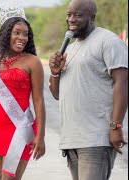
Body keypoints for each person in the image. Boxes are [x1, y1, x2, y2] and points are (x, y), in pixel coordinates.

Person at [48, 0, 128, 179]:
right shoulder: (70, 47)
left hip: (95, 139)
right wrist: (55, 73)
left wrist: (116, 126)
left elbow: (122, 82)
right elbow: (57, 94)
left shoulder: (108, 41)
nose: (71, 19)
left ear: (92, 18)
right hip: (72, 140)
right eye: (69, 15)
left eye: (77, 15)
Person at [0, 4, 46, 180]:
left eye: (26, 34)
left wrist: (40, 135)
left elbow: (38, 100)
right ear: (6, 34)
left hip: (20, 127)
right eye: (17, 32)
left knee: (9, 178)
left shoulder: (33, 62)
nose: (22, 37)